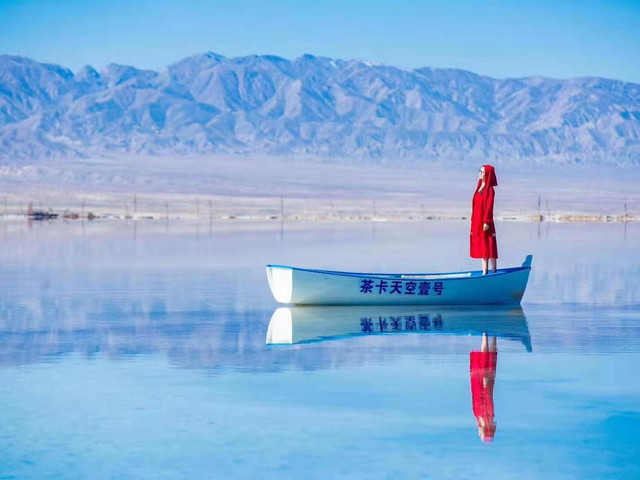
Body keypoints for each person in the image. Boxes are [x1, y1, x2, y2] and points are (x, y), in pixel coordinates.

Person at [470, 165, 498, 274]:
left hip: (486, 221)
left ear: (488, 175)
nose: (480, 174)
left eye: (482, 172)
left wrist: (486, 221)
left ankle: (493, 270)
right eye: (480, 171)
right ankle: (484, 271)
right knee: (482, 245)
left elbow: (489, 206)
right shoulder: (479, 188)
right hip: (477, 221)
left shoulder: (490, 190)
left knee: (489, 244)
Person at [470, 333, 498, 442]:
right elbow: (488, 400)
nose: (479, 433)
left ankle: (492, 335)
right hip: (484, 386)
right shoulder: (486, 417)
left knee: (490, 360)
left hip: (483, 385)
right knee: (486, 360)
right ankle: (486, 334)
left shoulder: (482, 419)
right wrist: (485, 386)